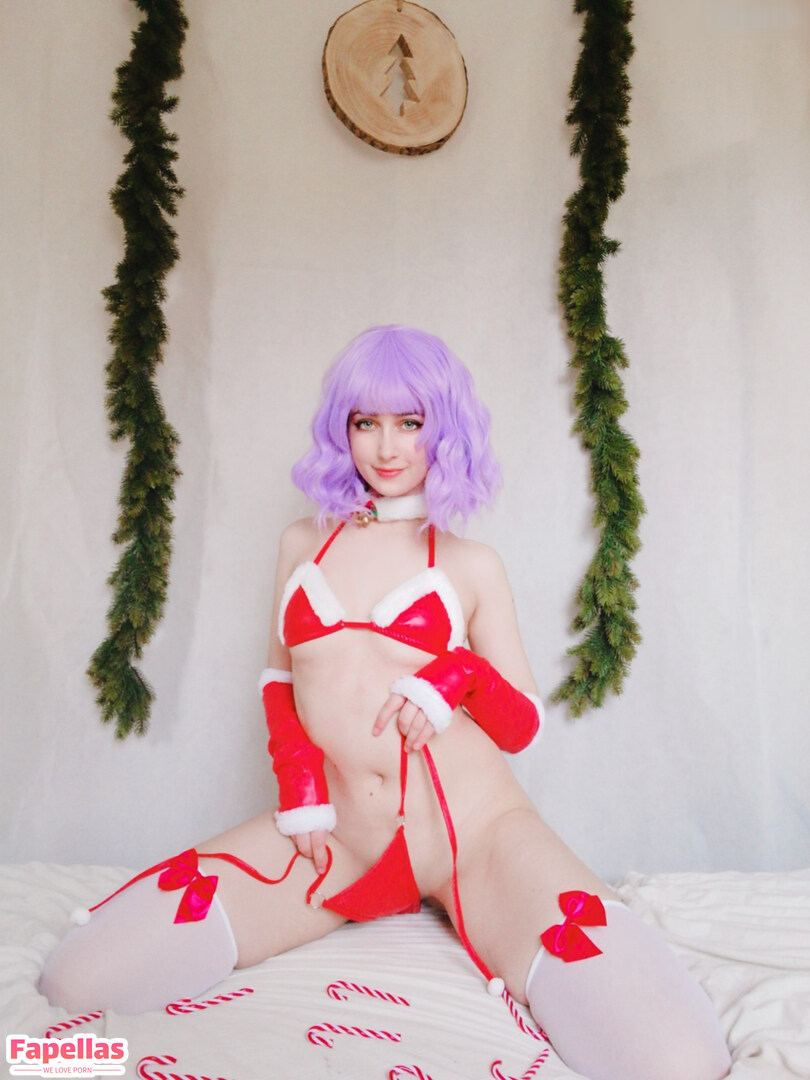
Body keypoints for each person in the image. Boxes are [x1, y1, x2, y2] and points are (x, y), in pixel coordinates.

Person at [40, 326, 731, 1080]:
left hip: (475, 839)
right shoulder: (301, 544)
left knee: (679, 1061)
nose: (387, 446)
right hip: (335, 837)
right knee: (76, 981)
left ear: (446, 429)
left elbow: (522, 725)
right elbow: (278, 682)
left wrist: (459, 674)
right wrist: (299, 787)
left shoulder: (472, 564)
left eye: (411, 422)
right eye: (365, 422)